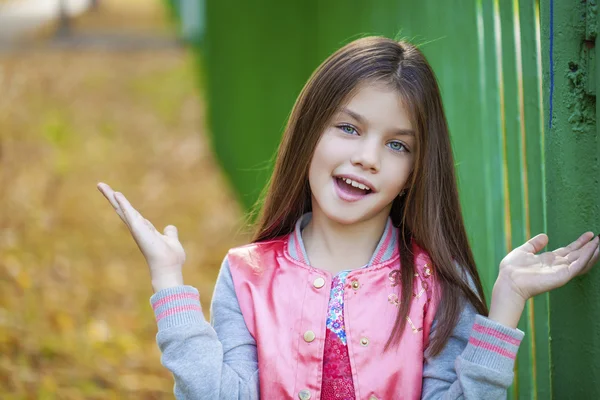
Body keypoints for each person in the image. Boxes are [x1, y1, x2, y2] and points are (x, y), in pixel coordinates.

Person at [97, 37, 599, 400]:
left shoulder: (437, 283)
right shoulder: (247, 274)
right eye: (348, 128)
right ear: (310, 132)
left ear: (414, 172)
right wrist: (169, 281)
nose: (367, 157)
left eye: (397, 144)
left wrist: (506, 303)